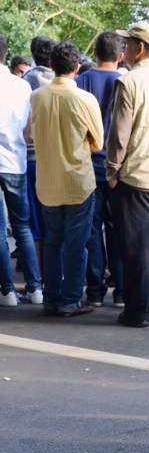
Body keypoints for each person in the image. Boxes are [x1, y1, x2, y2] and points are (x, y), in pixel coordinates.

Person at [106, 22, 149, 328]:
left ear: (141, 48)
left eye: (129, 43)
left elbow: (119, 134)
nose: (125, 48)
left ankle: (136, 311)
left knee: (137, 250)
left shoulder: (129, 81)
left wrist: (112, 170)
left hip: (136, 175)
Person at [29, 41, 103, 317]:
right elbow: (98, 142)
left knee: (52, 243)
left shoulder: (37, 96)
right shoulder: (85, 100)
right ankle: (70, 300)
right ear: (77, 67)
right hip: (78, 182)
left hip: (47, 181)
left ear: (51, 65)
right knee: (76, 245)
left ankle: (51, 298)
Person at [75, 31, 125, 308]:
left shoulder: (82, 80)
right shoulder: (125, 80)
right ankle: (121, 291)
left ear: (94, 53)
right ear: (120, 56)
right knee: (118, 229)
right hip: (118, 168)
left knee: (91, 230)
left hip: (88, 165)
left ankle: (95, 290)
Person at [0, 34, 43, 306]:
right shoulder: (21, 86)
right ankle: (36, 288)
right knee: (23, 227)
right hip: (15, 161)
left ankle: (6, 292)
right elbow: (30, 132)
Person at [22, 35, 56, 272]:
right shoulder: (61, 79)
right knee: (55, 221)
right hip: (56, 159)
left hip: (30, 158)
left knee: (34, 221)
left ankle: (38, 274)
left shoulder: (25, 81)